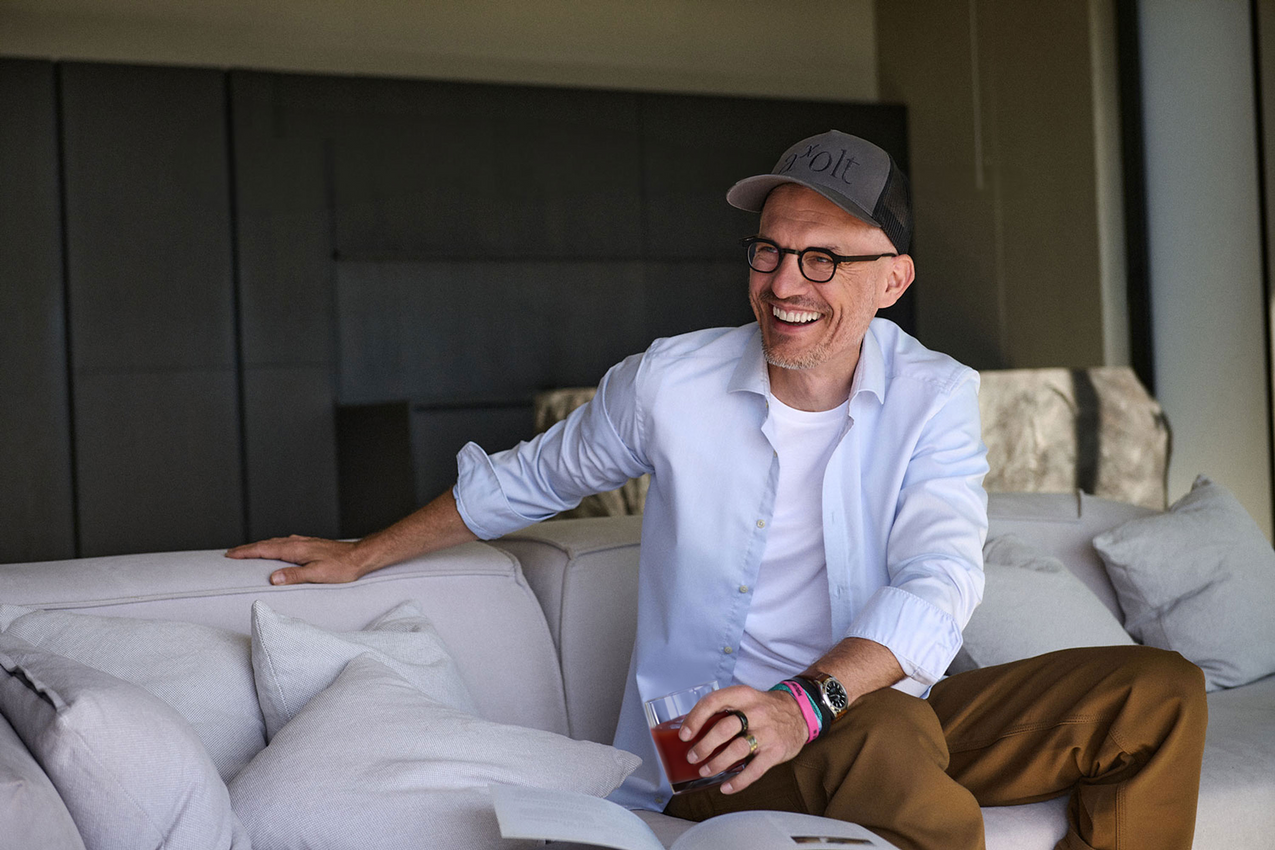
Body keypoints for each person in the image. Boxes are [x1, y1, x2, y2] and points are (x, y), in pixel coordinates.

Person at [228, 130, 1207, 850]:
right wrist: (361, 552)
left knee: (1157, 692)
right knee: (886, 735)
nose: (784, 282)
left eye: (822, 258)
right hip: (715, 750)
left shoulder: (934, 395)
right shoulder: (671, 383)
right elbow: (528, 481)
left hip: (866, 713)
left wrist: (807, 702)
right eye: (769, 250)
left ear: (893, 280)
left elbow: (941, 578)